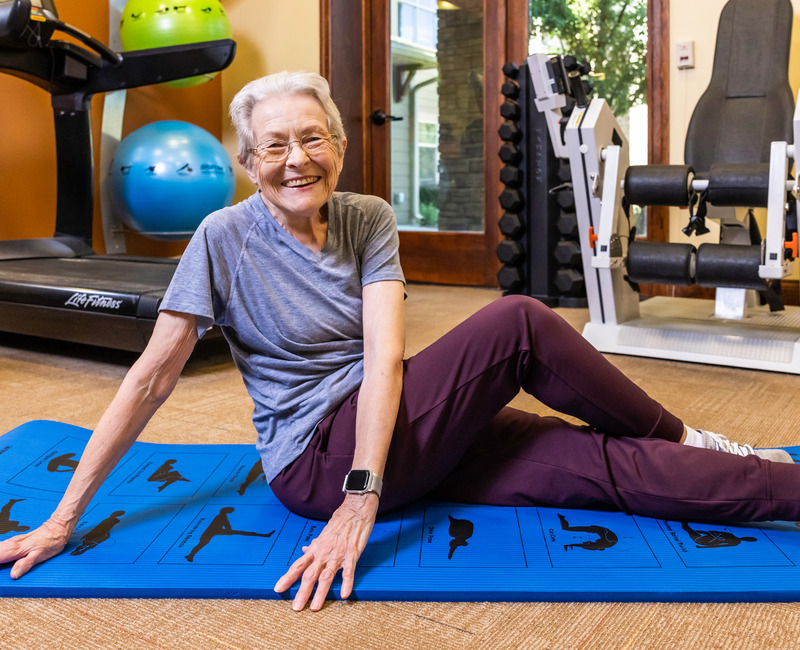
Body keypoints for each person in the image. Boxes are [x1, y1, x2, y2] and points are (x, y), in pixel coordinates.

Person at [0, 70, 797, 612]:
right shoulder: (220, 238)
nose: (296, 159)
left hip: (403, 425)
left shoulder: (368, 217)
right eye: (274, 146)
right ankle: (689, 433)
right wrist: (64, 520)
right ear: (247, 165)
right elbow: (149, 381)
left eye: (312, 138)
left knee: (600, 467)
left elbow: (385, 357)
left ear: (340, 147)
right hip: (316, 464)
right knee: (516, 320)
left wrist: (372, 482)